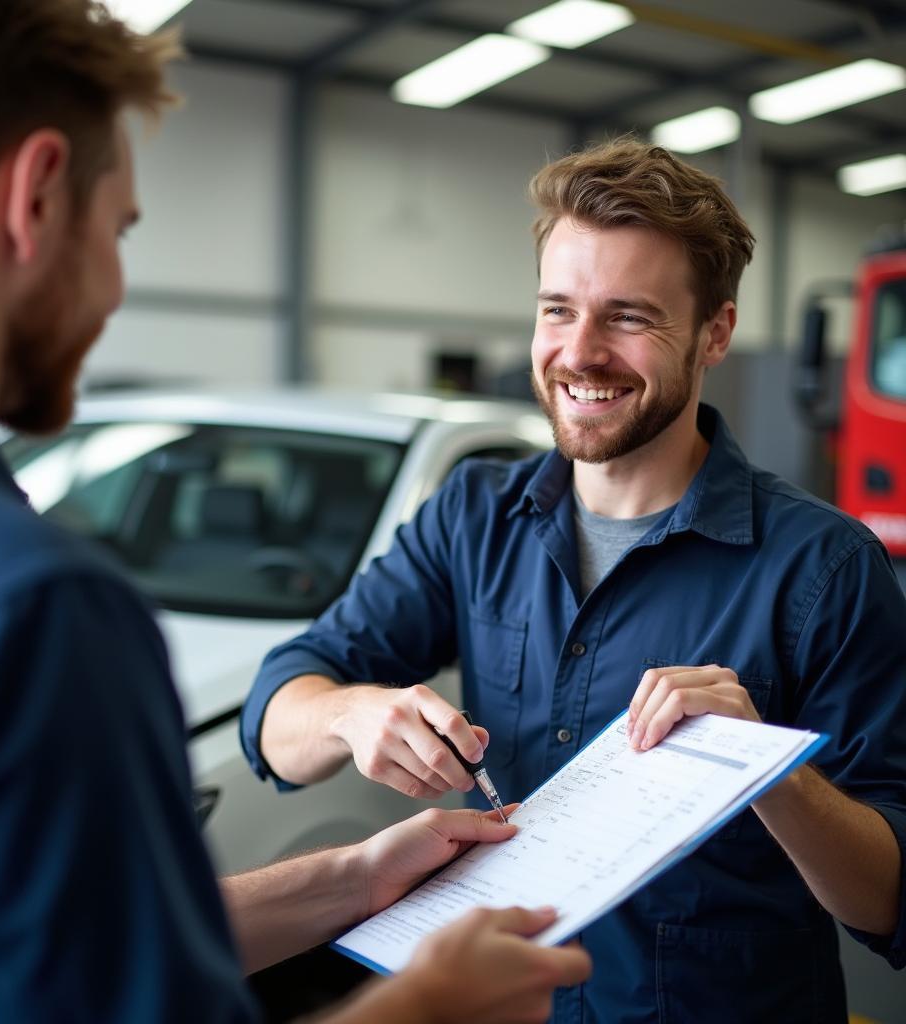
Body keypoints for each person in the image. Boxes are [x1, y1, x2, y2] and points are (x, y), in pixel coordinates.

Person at [0, 2, 593, 1021]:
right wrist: (428, 1008)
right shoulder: (30, 612)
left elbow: (55, 943)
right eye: (119, 229)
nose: (116, 285)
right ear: (37, 195)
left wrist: (347, 878)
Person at [242, 138, 906, 1022]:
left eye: (629, 317)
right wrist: (351, 713)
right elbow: (277, 706)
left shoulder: (822, 568)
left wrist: (769, 773)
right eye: (559, 309)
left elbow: (889, 901)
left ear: (715, 333)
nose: (580, 353)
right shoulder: (473, 518)